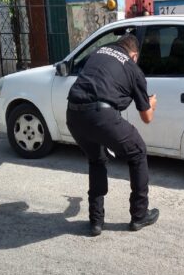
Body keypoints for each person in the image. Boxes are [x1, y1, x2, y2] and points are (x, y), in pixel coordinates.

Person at [65, 34, 159, 236]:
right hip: (101, 115)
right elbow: (147, 118)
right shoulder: (133, 68)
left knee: (96, 160)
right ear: (134, 55)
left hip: (73, 114)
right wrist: (151, 104)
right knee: (138, 152)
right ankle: (139, 215)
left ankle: (96, 222)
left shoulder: (98, 52)